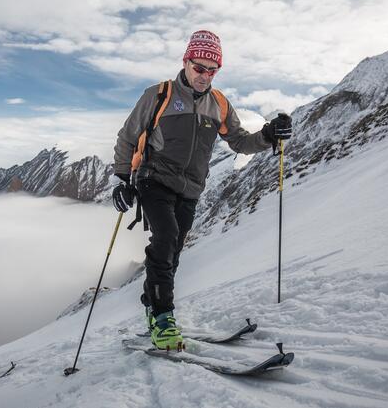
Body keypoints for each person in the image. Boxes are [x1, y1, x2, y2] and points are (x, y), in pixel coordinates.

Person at [112, 30, 292, 350]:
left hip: (191, 189)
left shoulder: (219, 104)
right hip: (154, 180)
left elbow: (239, 141)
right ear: (186, 61)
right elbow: (128, 137)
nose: (205, 76)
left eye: (212, 70)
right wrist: (122, 181)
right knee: (165, 238)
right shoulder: (159, 95)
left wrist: (267, 135)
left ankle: (152, 301)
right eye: (199, 67)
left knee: (174, 252)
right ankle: (163, 317)